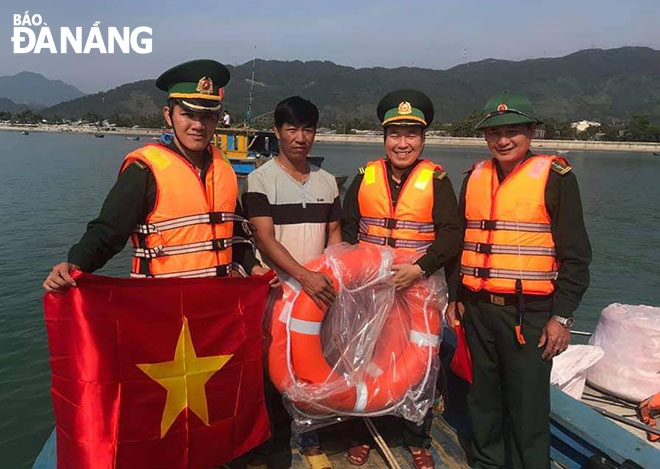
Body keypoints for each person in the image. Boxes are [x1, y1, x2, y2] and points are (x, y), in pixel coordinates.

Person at [445, 90, 592, 468]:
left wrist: (562, 317)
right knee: (482, 398)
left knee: (528, 404)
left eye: (513, 131)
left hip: (529, 313)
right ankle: (486, 463)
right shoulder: (474, 177)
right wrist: (455, 297)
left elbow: (576, 255)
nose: (503, 140)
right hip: (477, 308)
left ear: (531, 133)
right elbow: (462, 243)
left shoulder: (555, 177)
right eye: (494, 133)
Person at [43, 59, 269, 291]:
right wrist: (74, 264)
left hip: (216, 306)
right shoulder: (144, 170)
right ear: (168, 115)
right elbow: (107, 233)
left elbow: (235, 235)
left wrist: (253, 267)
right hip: (162, 308)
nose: (198, 125)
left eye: (208, 116)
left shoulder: (224, 168)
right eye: (188, 114)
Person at [341, 89, 462, 469]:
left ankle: (416, 437)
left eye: (411, 134)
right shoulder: (364, 177)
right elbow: (348, 230)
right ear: (384, 138)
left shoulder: (437, 180)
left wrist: (420, 269)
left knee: (421, 363)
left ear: (423, 139)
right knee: (368, 358)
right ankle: (364, 432)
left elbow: (451, 234)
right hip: (371, 287)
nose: (402, 143)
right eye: (395, 134)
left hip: (419, 289)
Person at [243, 96, 342, 469]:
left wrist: (330, 276)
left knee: (312, 363)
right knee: (273, 366)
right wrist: (303, 276)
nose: (300, 137)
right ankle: (272, 440)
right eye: (292, 129)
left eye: (308, 129)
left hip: (317, 294)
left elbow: (333, 232)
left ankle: (311, 432)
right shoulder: (260, 180)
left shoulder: (328, 182)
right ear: (277, 132)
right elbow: (265, 238)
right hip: (280, 291)